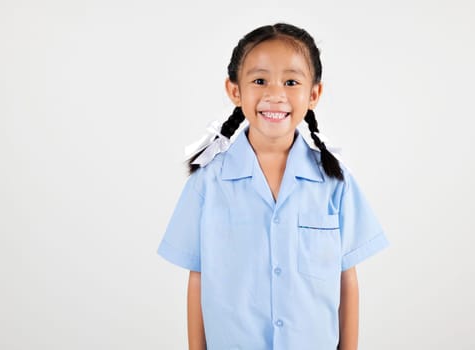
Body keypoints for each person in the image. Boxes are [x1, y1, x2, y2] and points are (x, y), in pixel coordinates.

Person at [157, 23, 389, 350]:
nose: (275, 94)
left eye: (291, 81)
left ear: (314, 94)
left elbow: (346, 277)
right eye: (259, 80)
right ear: (235, 90)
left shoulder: (335, 182)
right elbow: (199, 276)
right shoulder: (208, 182)